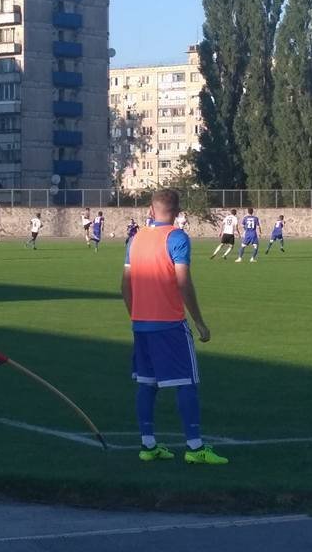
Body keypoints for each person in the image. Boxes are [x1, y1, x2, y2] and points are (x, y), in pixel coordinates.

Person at [123, 188, 228, 465]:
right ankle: (195, 448)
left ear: (150, 209)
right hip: (169, 323)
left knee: (147, 385)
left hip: (141, 324)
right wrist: (199, 322)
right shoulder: (177, 237)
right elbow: (183, 282)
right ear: (179, 213)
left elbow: (125, 284)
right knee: (187, 384)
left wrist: (134, 314)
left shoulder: (135, 239)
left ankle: (148, 445)